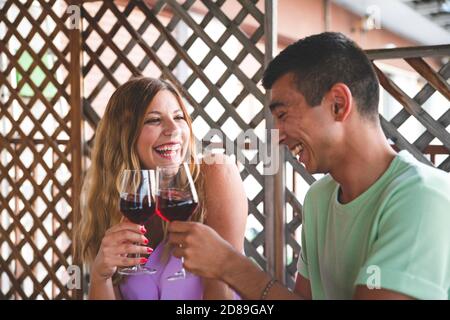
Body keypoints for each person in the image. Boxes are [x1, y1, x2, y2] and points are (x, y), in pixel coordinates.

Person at [167, 32, 450, 300]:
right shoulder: (320, 197)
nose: (277, 136)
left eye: (284, 114)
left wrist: (230, 265)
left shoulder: (423, 198)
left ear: (338, 104)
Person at [74, 77, 248, 300]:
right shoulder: (114, 203)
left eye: (178, 117)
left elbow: (221, 288)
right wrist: (101, 276)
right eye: (154, 120)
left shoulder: (214, 173)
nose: (173, 129)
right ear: (124, 135)